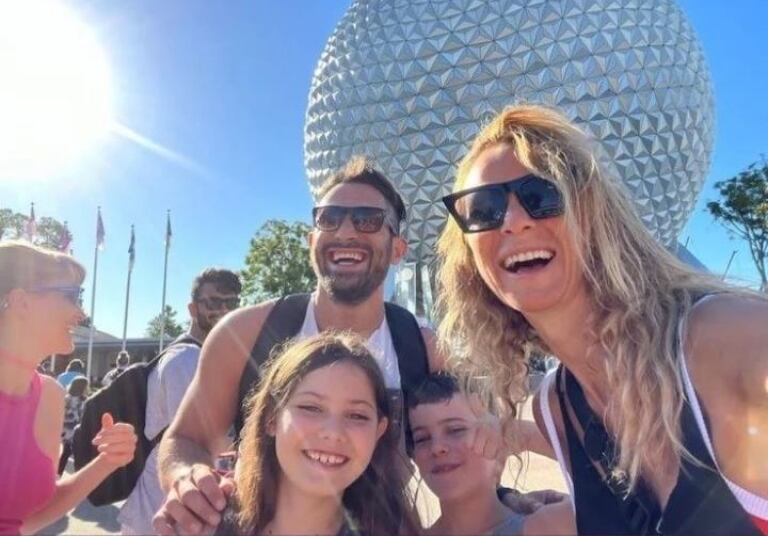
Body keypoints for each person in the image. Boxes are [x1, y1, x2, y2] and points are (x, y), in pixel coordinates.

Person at [436, 104, 768, 534]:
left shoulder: (721, 340)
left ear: (593, 214)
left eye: (542, 195)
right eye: (482, 208)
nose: (514, 222)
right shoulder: (558, 406)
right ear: (468, 253)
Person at [154, 156, 452, 534]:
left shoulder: (422, 348)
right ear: (312, 240)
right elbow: (185, 439)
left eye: (368, 220)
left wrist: (506, 505)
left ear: (397, 249)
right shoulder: (245, 335)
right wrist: (187, 479)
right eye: (329, 218)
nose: (346, 231)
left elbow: (463, 458)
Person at [202, 331, 418, 536]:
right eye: (311, 408)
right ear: (272, 418)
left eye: (357, 416)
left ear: (379, 431)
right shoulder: (200, 524)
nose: (333, 433)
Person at [0, 241, 137, 535]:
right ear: (22, 302)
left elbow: (23, 519)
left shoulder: (50, 396)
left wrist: (107, 461)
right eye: (72, 296)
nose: (81, 313)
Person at [119, 267, 242, 535]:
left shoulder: (203, 357)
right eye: (213, 302)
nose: (223, 310)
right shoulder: (187, 359)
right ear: (193, 308)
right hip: (162, 515)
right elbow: (202, 441)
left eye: (231, 302)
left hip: (173, 512)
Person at [407, 373, 574, 535]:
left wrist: (519, 433)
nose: (437, 447)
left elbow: (598, 474)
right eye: (421, 439)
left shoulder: (547, 527)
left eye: (455, 430)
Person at [58, 375, 89, 476]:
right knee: (77, 455)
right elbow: (82, 417)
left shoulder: (65, 398)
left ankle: (57, 474)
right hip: (75, 432)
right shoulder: (83, 401)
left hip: (63, 431)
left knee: (64, 454)